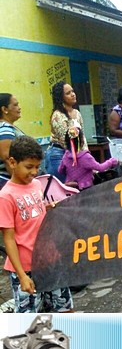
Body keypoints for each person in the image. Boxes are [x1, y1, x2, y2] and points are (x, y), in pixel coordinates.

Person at [0, 135, 74, 313]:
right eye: (29, 167)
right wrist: (22, 276)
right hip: (26, 268)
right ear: (12, 163)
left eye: (37, 167)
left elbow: (34, 213)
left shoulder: (36, 186)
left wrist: (48, 208)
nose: (34, 172)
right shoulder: (6, 196)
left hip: (50, 260)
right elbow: (9, 239)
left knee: (65, 309)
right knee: (31, 320)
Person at [45, 81, 87, 182]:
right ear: (61, 97)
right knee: (64, 189)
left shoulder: (77, 113)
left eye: (72, 91)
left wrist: (86, 155)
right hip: (58, 155)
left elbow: (83, 137)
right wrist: (82, 160)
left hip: (74, 154)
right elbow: (65, 142)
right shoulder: (58, 115)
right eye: (68, 93)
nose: (73, 94)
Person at [0, 93, 25, 190]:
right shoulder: (4, 129)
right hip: (7, 180)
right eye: (15, 105)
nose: (19, 108)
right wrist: (20, 184)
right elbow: (7, 158)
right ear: (5, 109)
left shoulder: (8, 127)